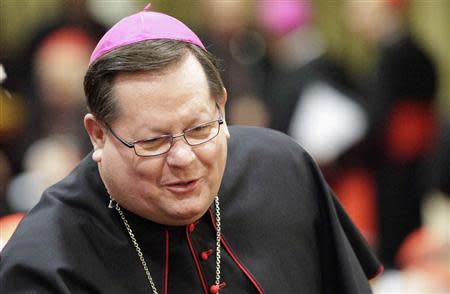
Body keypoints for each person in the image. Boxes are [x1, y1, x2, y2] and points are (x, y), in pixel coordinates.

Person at [0, 6, 382, 293]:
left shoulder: (284, 170)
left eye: (200, 129)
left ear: (222, 108)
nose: (184, 158)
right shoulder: (43, 264)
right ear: (98, 135)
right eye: (152, 141)